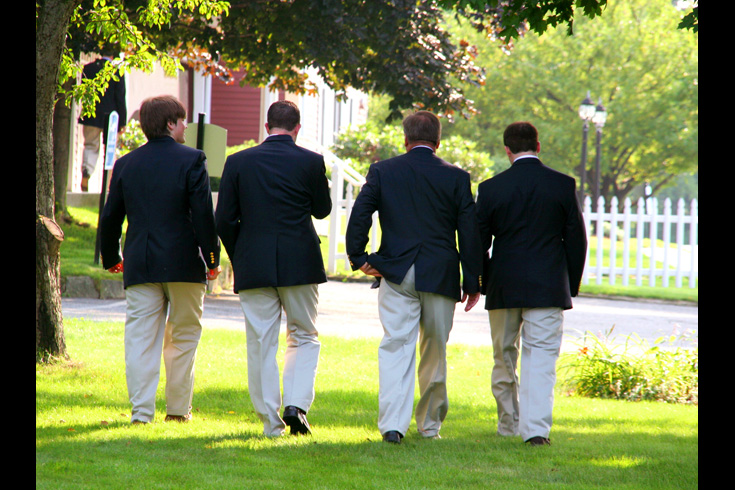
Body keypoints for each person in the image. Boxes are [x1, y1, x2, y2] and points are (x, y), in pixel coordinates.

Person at [345, 110, 483, 444]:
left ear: (405, 140)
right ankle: (429, 425)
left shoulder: (383, 171)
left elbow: (361, 211)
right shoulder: (457, 177)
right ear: (438, 142)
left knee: (396, 345)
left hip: (396, 271)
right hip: (439, 272)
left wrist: (358, 256)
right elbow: (469, 231)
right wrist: (473, 280)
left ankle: (393, 425)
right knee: (435, 349)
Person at [99, 95, 221, 424]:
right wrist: (212, 259)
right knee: (183, 337)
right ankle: (179, 411)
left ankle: (141, 413)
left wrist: (111, 257)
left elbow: (110, 217)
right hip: (184, 263)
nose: (184, 127)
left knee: (140, 338)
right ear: (170, 123)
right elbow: (202, 216)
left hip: (140, 262)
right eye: (181, 121)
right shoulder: (193, 159)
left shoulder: (126, 163)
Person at [215, 100, 332, 437]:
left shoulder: (238, 162)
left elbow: (223, 219)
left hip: (253, 261)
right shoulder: (311, 161)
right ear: (297, 128)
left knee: (261, 342)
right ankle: (296, 404)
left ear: (267, 127)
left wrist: (241, 254)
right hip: (300, 260)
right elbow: (322, 211)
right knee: (305, 335)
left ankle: (271, 422)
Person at [475, 121, 587, 446]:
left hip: (503, 283)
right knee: (541, 357)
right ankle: (536, 432)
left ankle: (508, 424)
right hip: (548, 284)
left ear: (507, 150)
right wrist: (570, 284)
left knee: (504, 356)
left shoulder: (491, 188)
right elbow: (576, 241)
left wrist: (481, 280)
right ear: (538, 146)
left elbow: (478, 242)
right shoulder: (563, 185)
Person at [78, 50, 127, 191]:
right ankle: (109, 183)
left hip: (91, 115)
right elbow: (120, 98)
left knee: (90, 146)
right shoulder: (117, 71)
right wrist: (122, 121)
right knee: (110, 149)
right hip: (111, 117)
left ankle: (86, 171)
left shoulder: (88, 68)